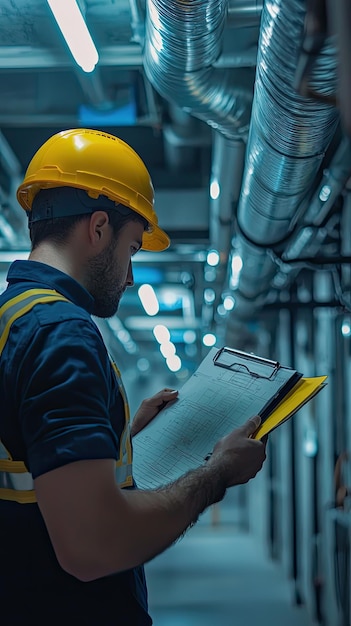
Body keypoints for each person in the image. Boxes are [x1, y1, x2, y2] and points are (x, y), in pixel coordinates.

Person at [0, 128, 266, 626]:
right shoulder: (61, 333)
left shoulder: (13, 316)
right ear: (98, 228)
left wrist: (123, 435)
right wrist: (217, 474)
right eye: (133, 249)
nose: (129, 276)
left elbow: (26, 456)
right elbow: (92, 546)